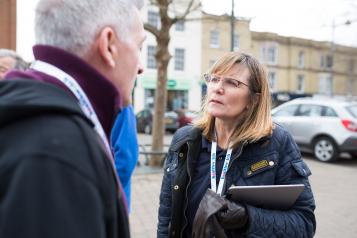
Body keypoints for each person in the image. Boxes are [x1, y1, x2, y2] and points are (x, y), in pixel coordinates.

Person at [0, 0, 145, 237]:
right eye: (139, 47)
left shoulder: (33, 116)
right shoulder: (59, 150)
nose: (140, 67)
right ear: (108, 45)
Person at [157, 52, 316, 238]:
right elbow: (167, 215)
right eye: (214, 79)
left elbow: (304, 224)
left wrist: (248, 218)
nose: (217, 88)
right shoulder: (184, 139)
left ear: (253, 99)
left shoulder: (276, 143)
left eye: (232, 82)